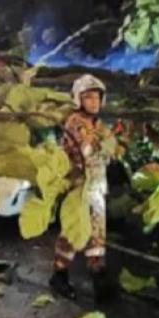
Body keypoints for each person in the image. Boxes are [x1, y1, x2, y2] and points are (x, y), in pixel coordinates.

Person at [50, 74, 118, 302]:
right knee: (73, 231)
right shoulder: (75, 123)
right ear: (78, 99)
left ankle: (99, 278)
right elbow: (84, 151)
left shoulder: (98, 124)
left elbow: (109, 151)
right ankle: (59, 275)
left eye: (97, 97)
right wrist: (99, 141)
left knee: (97, 235)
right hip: (79, 186)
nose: (94, 102)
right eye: (88, 97)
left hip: (97, 187)